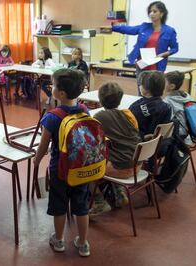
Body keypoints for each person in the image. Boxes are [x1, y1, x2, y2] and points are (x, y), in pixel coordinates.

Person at [33, 69, 90, 257]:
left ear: (61, 93)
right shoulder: (84, 110)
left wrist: (37, 160)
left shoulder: (52, 117)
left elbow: (43, 146)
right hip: (82, 167)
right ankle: (82, 243)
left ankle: (58, 240)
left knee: (59, 205)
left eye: (54, 85)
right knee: (81, 206)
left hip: (60, 170)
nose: (51, 87)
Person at [90, 82, 141, 217]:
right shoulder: (128, 114)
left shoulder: (99, 117)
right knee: (113, 153)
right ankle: (119, 190)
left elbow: (93, 141)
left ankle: (99, 201)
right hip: (138, 165)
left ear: (100, 100)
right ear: (120, 99)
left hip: (120, 168)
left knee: (89, 166)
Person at [112, 1, 178, 92]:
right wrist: (113, 27)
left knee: (154, 92)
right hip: (142, 64)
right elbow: (129, 29)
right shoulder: (144, 27)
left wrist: (165, 54)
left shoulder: (169, 31)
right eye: (150, 11)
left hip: (157, 67)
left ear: (162, 13)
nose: (151, 14)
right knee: (141, 91)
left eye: (155, 11)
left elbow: (175, 48)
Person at [129, 71, 171, 138]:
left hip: (140, 144)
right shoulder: (167, 108)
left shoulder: (135, 107)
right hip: (158, 145)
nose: (139, 86)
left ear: (147, 89)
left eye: (140, 85)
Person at [164, 71, 192, 139]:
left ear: (172, 86)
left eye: (164, 82)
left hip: (178, 135)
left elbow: (165, 121)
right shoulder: (184, 95)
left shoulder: (168, 101)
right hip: (189, 131)